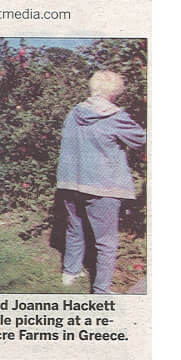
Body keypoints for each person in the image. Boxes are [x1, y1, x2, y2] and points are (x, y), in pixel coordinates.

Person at [56, 70, 147, 293]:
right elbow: (141, 140)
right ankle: (101, 291)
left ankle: (70, 272)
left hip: (70, 182)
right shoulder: (115, 117)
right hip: (102, 185)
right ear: (115, 92)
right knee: (106, 242)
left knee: (74, 228)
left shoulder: (73, 113)